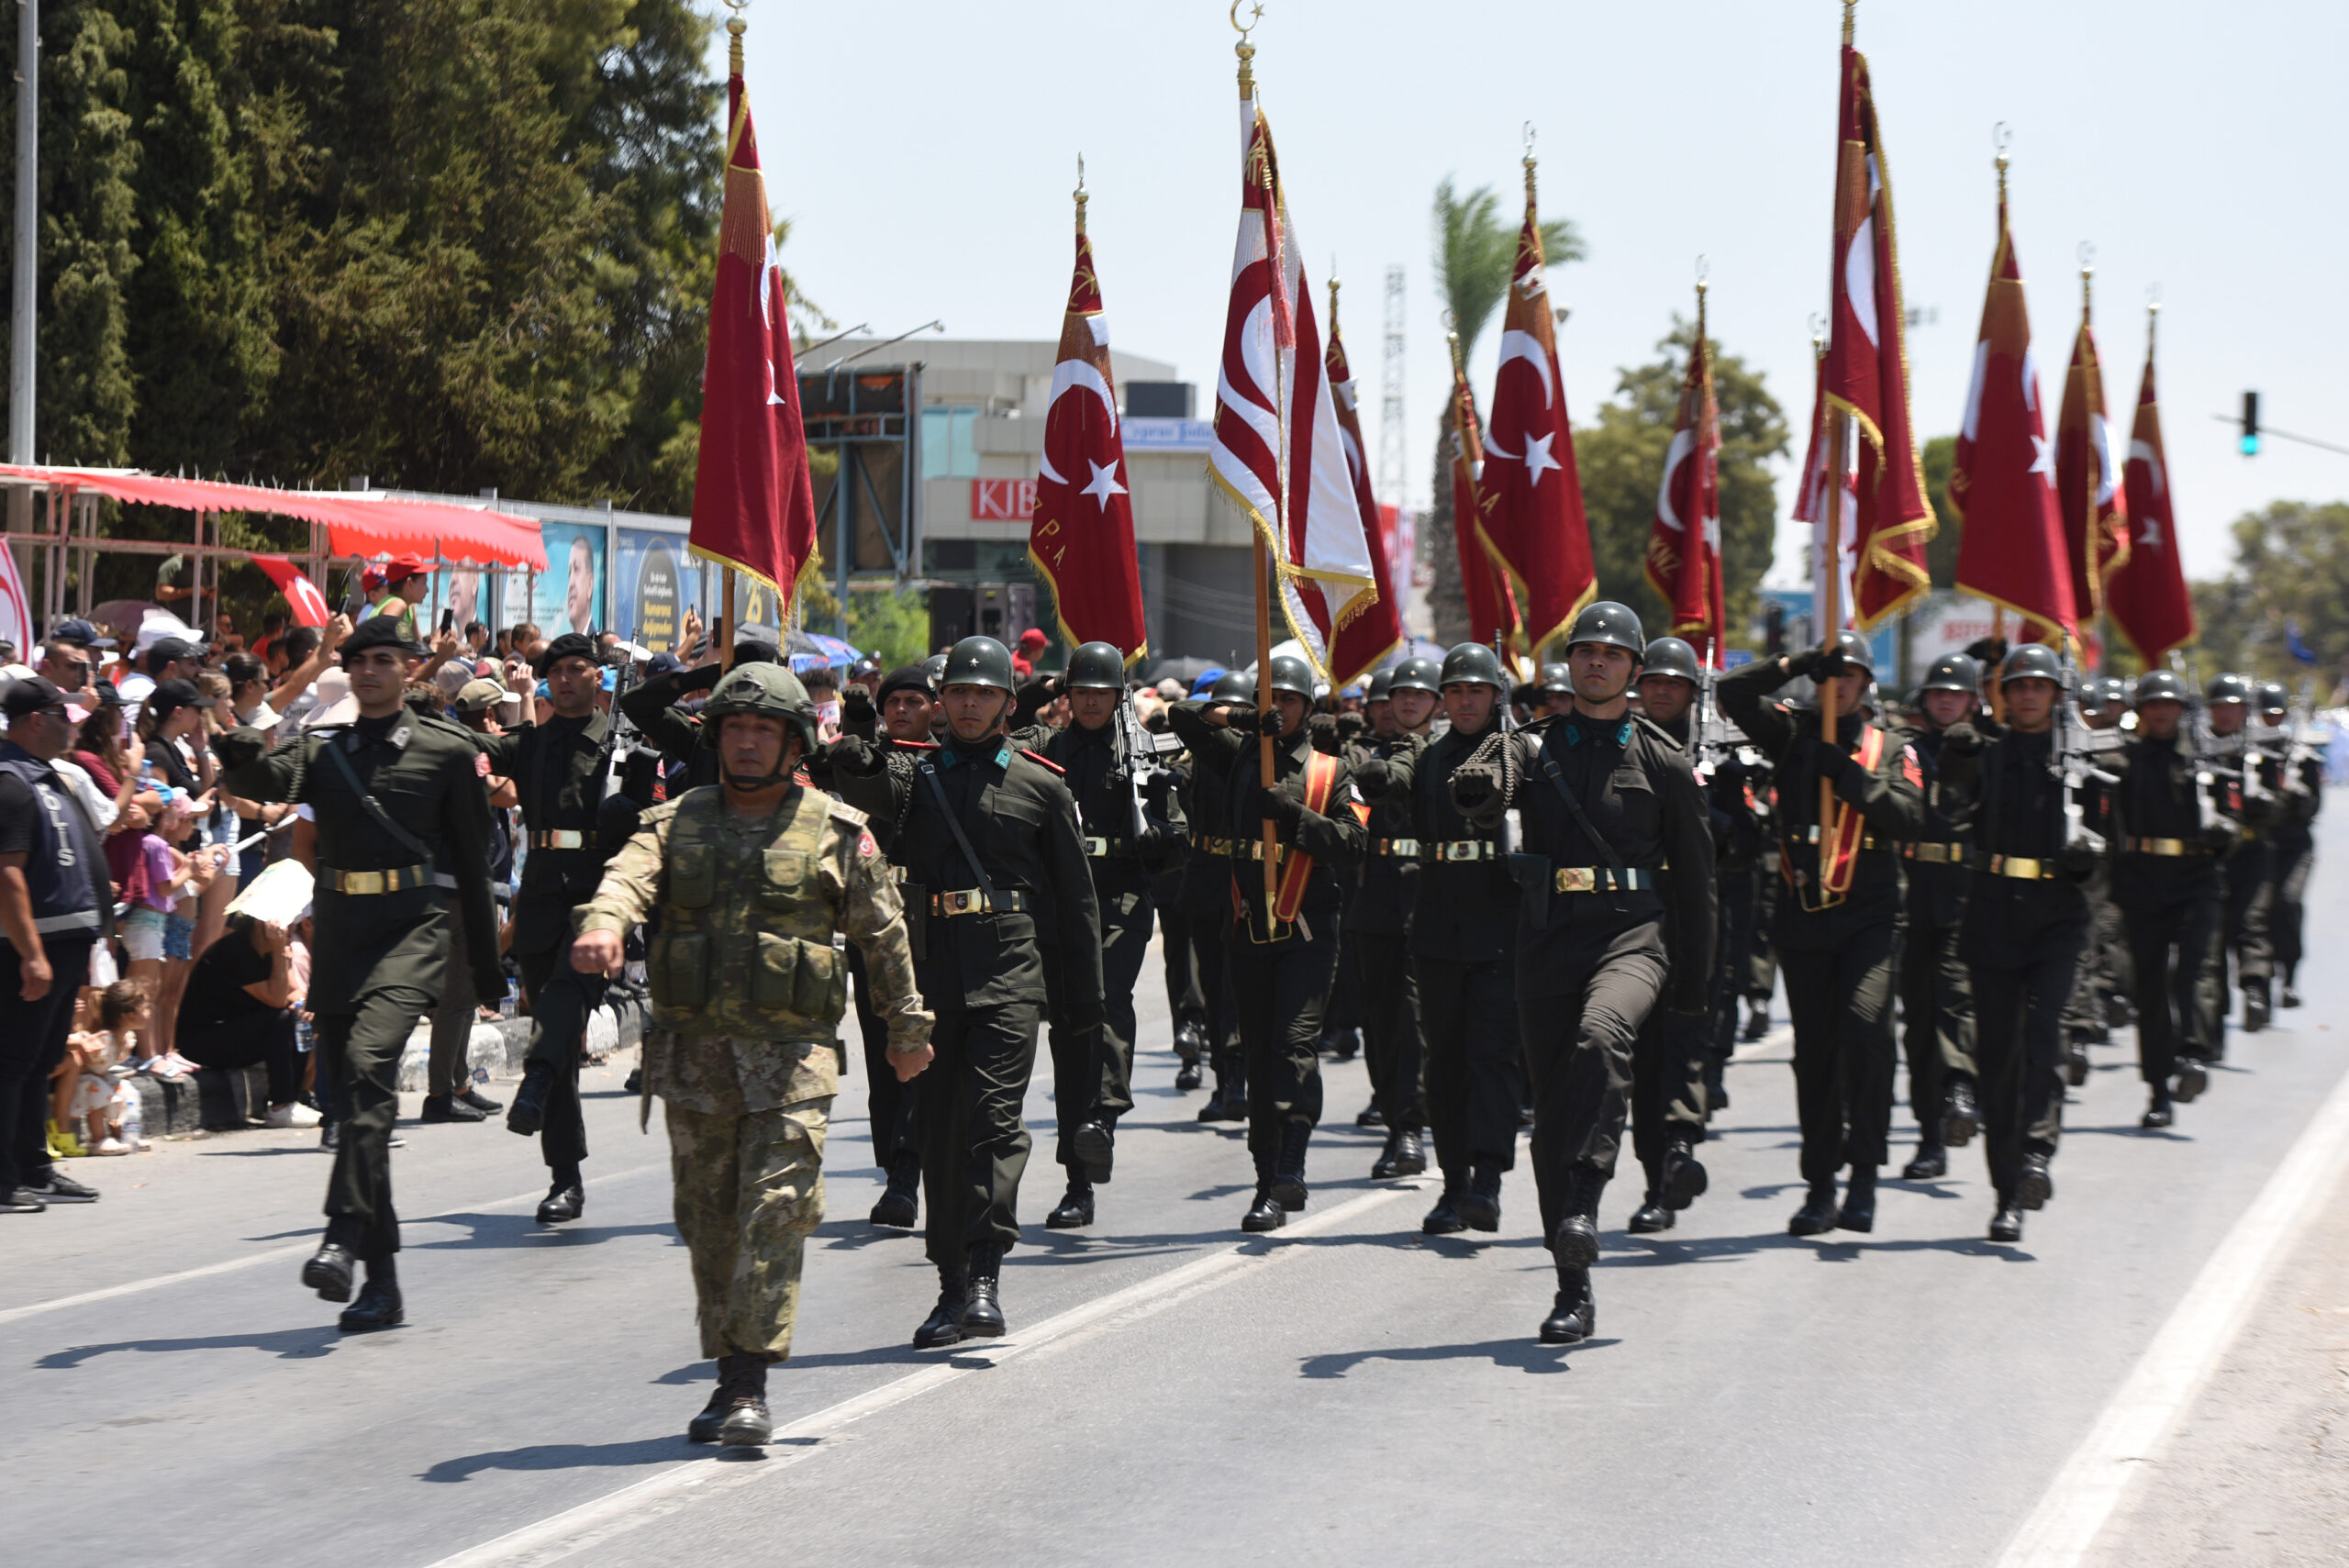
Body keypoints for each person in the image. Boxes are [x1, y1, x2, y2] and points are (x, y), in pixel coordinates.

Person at [573, 662, 931, 1446]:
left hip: (791, 1065)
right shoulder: (676, 821)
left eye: (763, 729)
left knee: (775, 1211)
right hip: (695, 1065)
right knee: (709, 1223)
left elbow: (884, 933)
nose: (745, 741)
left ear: (794, 742)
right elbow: (625, 879)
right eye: (734, 727)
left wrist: (907, 1030)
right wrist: (604, 925)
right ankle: (728, 1363)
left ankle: (747, 1383)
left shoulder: (836, 829)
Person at [216, 615, 505, 1331]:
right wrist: (247, 728)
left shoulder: (446, 750)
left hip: (412, 930)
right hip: (343, 935)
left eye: (383, 659)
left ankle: (342, 1232)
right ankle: (384, 1284)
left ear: (409, 668)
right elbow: (258, 778)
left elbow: (474, 865)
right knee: (356, 1105)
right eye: (360, 660)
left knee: (372, 1067)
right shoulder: (325, 749)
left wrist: (488, 970)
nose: (370, 670)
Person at [1443, 604, 1714, 1343]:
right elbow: (1486, 785)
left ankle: (1586, 1201)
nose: (1597, 662)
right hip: (1549, 937)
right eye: (1586, 651)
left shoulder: (1663, 759)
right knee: (1554, 1116)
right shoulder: (1533, 745)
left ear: (1635, 669)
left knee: (1601, 1034)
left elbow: (1697, 884)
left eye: (1612, 653)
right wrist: (1484, 779)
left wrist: (1695, 989)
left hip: (1634, 935)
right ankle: (1573, 1285)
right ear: (1570, 664)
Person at [824, 636, 1097, 1347]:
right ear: (941, 702)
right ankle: (950, 1283)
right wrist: (854, 754)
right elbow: (869, 790)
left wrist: (1085, 1004)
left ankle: (984, 1275)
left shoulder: (1043, 786)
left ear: (1009, 702)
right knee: (942, 1134)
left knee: (995, 1125)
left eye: (984, 693)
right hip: (932, 975)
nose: (970, 703)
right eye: (959, 692)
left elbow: (1075, 905)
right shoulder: (917, 777)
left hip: (1010, 975)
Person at [1717, 632, 1923, 1238]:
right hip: (1806, 916)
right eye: (1830, 674)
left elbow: (1910, 816)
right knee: (1816, 1056)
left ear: (1866, 683)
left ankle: (1864, 1174)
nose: (1840, 685)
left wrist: (1849, 776)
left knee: (1866, 1031)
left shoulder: (1891, 746)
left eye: (1850, 674)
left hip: (1871, 916)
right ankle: (1820, 1185)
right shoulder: (1792, 732)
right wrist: (1800, 661)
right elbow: (1732, 691)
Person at [1166, 653, 1366, 1233]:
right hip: (1249, 925)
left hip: (1306, 927)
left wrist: (1296, 817)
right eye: (1270, 697)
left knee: (1293, 1043)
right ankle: (1264, 1182)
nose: (1280, 707)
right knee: (1256, 1051)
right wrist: (1240, 718)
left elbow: (1354, 842)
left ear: (1307, 707)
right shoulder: (1239, 754)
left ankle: (1292, 1164)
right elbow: (1182, 716)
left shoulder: (1331, 771)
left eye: (1290, 699)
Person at [1932, 645, 2101, 1242]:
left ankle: (2035, 1155)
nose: (2029, 694)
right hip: (1994, 912)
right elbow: (1950, 800)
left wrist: (2091, 857)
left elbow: (2111, 835)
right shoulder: (1985, 753)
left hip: (2058, 916)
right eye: (2019, 685)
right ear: (2004, 695)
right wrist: (1957, 750)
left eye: (2039, 685)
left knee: (2046, 1039)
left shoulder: (2083, 758)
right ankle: (2007, 1192)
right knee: (1999, 1058)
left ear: (2057, 694)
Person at [1349, 645, 1520, 1229]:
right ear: (1443, 699)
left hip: (1500, 926)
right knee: (1443, 1062)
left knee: (1491, 1058)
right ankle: (1454, 1185)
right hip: (1438, 924)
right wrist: (1376, 774)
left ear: (1495, 696)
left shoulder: (1519, 752)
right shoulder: (1425, 756)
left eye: (1477, 691)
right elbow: (1392, 787)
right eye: (1457, 691)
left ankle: (1488, 1179)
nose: (1466, 701)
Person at [1027, 641, 1184, 1229]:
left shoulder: (1141, 754)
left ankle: (1103, 1118)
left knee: (1108, 1004)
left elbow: (1177, 836)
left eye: (1102, 692)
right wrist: (1034, 690)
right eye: (1081, 691)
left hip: (1120, 901)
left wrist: (1162, 837)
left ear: (1119, 697)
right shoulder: (1046, 751)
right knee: (1069, 1032)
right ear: (1068, 695)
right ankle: (1078, 1181)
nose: (1091, 702)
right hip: (1060, 904)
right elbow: (994, 733)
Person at [496, 634, 640, 1221]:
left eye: (576, 668)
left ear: (597, 677)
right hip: (540, 900)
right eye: (554, 670)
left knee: (562, 1002)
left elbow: (648, 820)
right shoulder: (532, 743)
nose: (564, 678)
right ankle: (566, 1178)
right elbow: (478, 753)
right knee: (555, 1027)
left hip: (597, 899)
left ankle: (532, 1080)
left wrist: (626, 810)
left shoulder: (622, 746)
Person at [812, 662, 938, 1228]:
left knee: (925, 1052)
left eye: (914, 701)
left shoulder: (948, 759)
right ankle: (895, 1168)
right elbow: (829, 776)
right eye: (893, 702)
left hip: (937, 925)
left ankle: (911, 1172)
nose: (902, 710)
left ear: (934, 707)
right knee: (884, 1055)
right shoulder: (862, 758)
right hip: (875, 924)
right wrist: (856, 735)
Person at [1613, 636, 1720, 1232]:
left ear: (1690, 693)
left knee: (1687, 1043)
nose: (1661, 691)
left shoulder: (1718, 759)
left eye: (1673, 684)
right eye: (1653, 681)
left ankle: (1681, 1146)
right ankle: (1657, 1176)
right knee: (1647, 1060)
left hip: (1694, 918)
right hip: (1639, 917)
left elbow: (1741, 840)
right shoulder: (1621, 748)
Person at [0, 678, 115, 1212]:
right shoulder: (10, 782)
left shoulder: (46, 776)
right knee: (11, 1061)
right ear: (35, 721)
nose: (72, 724)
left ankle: (34, 1168)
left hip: (65, 944)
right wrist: (30, 954)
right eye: (62, 714)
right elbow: (8, 875)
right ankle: (3, 1179)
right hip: (31, 949)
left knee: (40, 1058)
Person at [2106, 670, 2235, 1128]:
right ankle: (2159, 1088)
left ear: (2182, 709)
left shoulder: (2208, 755)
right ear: (2140, 710)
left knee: (2195, 969)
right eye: (2153, 704)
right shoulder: (2123, 760)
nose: (2161, 711)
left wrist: (2225, 829)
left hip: (2196, 878)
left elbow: (2233, 811)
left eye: (2169, 704)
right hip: (2142, 880)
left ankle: (2194, 1055)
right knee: (2151, 986)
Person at [1333, 659, 1436, 1174]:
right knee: (1379, 1021)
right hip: (1373, 897)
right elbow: (1349, 819)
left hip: (1430, 898)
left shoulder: (1446, 756)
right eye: (1400, 695)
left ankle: (1413, 1125)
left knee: (1415, 1020)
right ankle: (1396, 1122)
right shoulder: (1361, 759)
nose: (1407, 703)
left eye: (1419, 695)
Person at [1892, 651, 1985, 1181]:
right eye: (1937, 693)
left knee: (1956, 998)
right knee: (1919, 1024)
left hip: (1965, 895)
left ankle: (1961, 1089)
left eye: (1956, 693)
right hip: (1911, 895)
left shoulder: (1986, 752)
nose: (1946, 700)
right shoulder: (1905, 750)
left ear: (1973, 701)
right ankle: (1931, 1135)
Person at [1174, 668, 1257, 1119]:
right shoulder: (1203, 750)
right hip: (1207, 877)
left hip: (1245, 877)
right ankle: (1226, 1082)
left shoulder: (1260, 756)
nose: (1234, 720)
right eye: (1227, 711)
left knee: (1240, 986)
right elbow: (1183, 714)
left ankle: (1243, 1080)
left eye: (1242, 711)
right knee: (1213, 984)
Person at [178, 913, 316, 1129]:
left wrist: (304, 1003)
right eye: (285, 923)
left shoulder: (275, 950)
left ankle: (291, 1099)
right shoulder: (235, 950)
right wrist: (279, 953)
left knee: (301, 1016)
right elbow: (277, 999)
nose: (291, 929)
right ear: (262, 923)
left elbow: (295, 992)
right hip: (203, 1041)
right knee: (281, 1018)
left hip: (239, 1032)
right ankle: (280, 1106)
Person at [2201, 673, 2278, 1039]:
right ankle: (2211, 1024)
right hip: (2213, 856)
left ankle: (2255, 990)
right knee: (2212, 936)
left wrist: (2268, 804)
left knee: (2252, 922)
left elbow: (2286, 799)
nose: (2226, 714)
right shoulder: (2200, 751)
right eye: (2219, 707)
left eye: (2233, 707)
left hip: (2252, 852)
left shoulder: (2261, 751)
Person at [2256, 681, 2321, 1007]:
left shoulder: (2302, 756)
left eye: (2276, 714)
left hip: (2295, 847)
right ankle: (2259, 984)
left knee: (2287, 902)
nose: (2271, 720)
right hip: (2260, 845)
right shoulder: (2250, 755)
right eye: (2265, 714)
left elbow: (2315, 807)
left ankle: (2290, 977)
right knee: (2258, 912)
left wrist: (2300, 797)